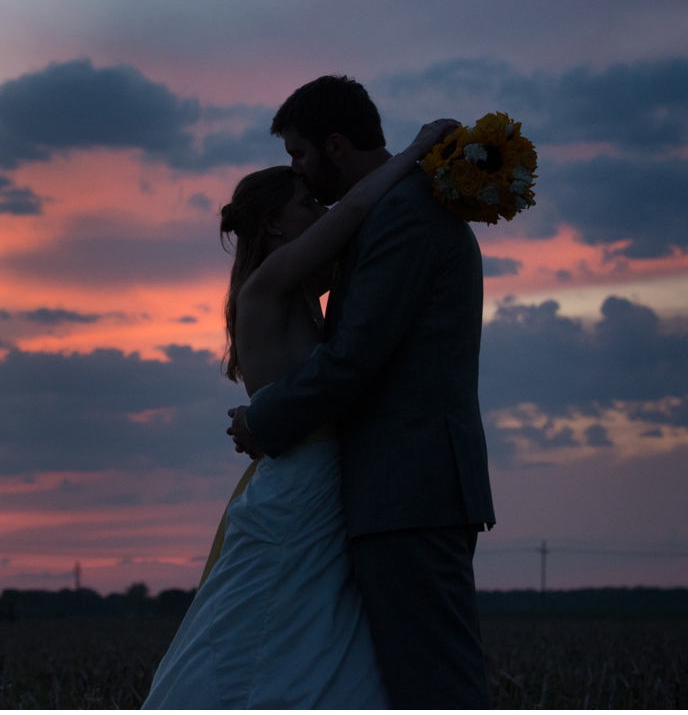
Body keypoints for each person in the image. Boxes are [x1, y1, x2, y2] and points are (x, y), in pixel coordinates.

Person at [144, 112, 459, 710]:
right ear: (274, 226)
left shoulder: (298, 293)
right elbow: (354, 212)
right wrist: (417, 150)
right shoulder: (264, 287)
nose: (319, 211)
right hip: (299, 490)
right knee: (261, 628)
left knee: (317, 633)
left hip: (323, 483)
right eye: (305, 205)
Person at [228, 75, 496, 709]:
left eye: (298, 153)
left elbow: (353, 359)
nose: (295, 168)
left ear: (337, 146)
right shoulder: (389, 211)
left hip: (411, 490)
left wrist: (263, 420)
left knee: (435, 687)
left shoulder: (405, 213)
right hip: (394, 491)